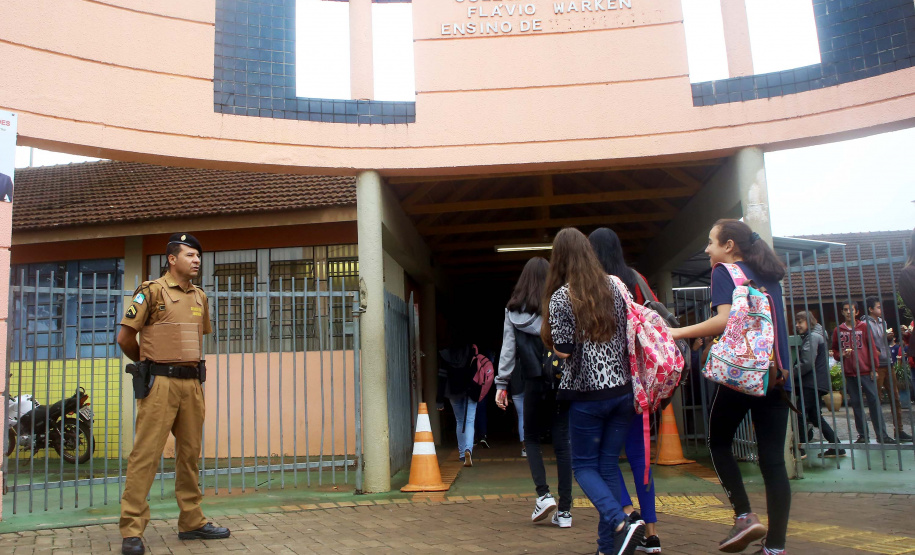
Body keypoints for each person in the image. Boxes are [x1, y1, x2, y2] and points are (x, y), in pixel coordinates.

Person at [669, 220, 791, 555]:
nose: (707, 249)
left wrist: (677, 333)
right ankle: (775, 548)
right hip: (776, 377)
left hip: (742, 377)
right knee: (772, 462)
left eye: (711, 242)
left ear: (730, 245)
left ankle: (744, 516)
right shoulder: (769, 272)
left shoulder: (726, 271)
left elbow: (724, 319)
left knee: (718, 442)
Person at [117, 233, 230, 555]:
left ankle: (192, 522)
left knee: (190, 454)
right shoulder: (151, 293)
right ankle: (132, 530)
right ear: (172, 258)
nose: (196, 260)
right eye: (190, 255)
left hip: (192, 384)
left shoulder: (199, 297)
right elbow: (125, 338)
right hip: (160, 384)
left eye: (198, 256)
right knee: (146, 456)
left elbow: (195, 340)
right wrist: (146, 365)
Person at [542, 228, 645, 555]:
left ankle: (620, 521)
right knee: (606, 466)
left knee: (583, 466)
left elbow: (564, 349)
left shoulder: (561, 297)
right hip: (623, 393)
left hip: (587, 395)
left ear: (559, 258)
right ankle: (606, 548)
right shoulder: (615, 285)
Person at [588, 227, 660, 554]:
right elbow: (658, 320)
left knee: (602, 457)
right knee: (640, 458)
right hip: (639, 383)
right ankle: (652, 534)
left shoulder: (589, 287)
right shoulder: (636, 279)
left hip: (605, 384)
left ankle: (629, 517)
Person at [495, 257, 573, 528]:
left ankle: (543, 495)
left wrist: (501, 384)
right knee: (563, 442)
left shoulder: (513, 311)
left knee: (531, 437)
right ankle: (565, 512)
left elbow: (508, 349)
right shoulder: (561, 305)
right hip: (561, 382)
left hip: (532, 382)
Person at [831, 301, 894, 444]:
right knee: (856, 403)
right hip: (849, 372)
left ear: (856, 312)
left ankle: (882, 435)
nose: (848, 312)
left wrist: (874, 368)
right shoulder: (838, 330)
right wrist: (841, 355)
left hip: (866, 370)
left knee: (874, 402)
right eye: (846, 310)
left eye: (851, 310)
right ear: (842, 312)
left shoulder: (864, 327)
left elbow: (872, 347)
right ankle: (863, 435)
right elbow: (835, 350)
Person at [793, 312, 844, 458]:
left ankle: (800, 448)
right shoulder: (816, 336)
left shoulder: (812, 337)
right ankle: (837, 446)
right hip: (817, 383)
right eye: (797, 322)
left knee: (799, 413)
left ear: (809, 322)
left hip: (811, 383)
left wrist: (790, 373)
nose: (797, 325)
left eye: (800, 322)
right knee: (815, 416)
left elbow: (807, 362)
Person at [863, 298, 911, 441]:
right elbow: (870, 343)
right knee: (876, 399)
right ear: (871, 309)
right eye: (878, 307)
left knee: (895, 398)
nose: (880, 310)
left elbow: (884, 342)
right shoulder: (866, 324)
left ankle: (899, 430)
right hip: (876, 365)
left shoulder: (882, 322)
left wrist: (889, 338)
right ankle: (881, 434)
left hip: (888, 362)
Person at [437, 342, 479, 466]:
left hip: (453, 392)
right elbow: (475, 373)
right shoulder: (471, 352)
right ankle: (468, 450)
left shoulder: (445, 355)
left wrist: (439, 400)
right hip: (470, 392)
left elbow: (442, 377)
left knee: (460, 421)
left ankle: (461, 454)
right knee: (470, 421)